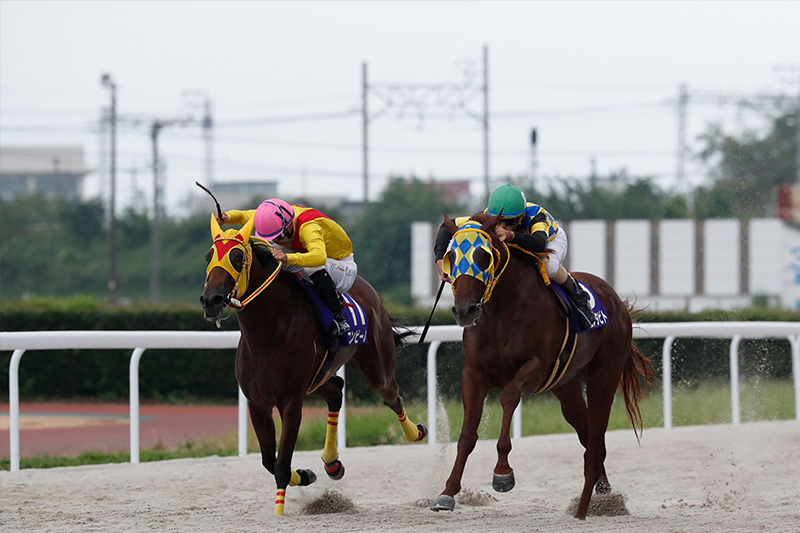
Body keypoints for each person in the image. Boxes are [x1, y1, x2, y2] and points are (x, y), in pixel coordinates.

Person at [434, 184, 595, 329]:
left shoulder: (536, 216)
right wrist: (440, 259)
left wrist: (511, 236)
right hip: (519, 243)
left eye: (510, 222)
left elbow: (539, 244)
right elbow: (445, 227)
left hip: (550, 241)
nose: (503, 226)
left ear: (521, 217)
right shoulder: (484, 217)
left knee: (550, 266)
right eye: (499, 221)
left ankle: (579, 297)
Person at [217, 198, 355, 338]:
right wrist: (229, 217)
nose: (277, 240)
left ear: (288, 226)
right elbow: (248, 216)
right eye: (274, 237)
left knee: (310, 266)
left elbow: (319, 257)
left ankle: (338, 317)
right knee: (268, 250)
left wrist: (288, 258)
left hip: (342, 265)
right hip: (306, 253)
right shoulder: (277, 215)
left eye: (279, 236)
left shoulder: (309, 228)